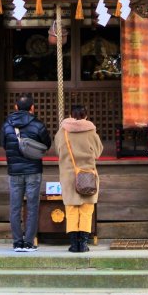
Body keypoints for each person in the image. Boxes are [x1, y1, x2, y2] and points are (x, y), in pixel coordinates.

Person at [2, 94, 51, 252]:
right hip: (33, 170)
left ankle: (17, 242)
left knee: (15, 207)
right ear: (32, 108)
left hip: (14, 171)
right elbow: (47, 144)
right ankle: (29, 242)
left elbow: (4, 144)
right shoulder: (37, 125)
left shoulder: (7, 125)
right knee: (32, 206)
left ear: (16, 107)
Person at [54, 104, 103, 253]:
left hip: (69, 175)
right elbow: (98, 152)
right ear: (86, 116)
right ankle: (83, 244)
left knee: (71, 210)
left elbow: (58, 151)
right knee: (86, 210)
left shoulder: (62, 132)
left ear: (70, 114)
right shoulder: (91, 131)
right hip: (87, 175)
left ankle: (74, 244)